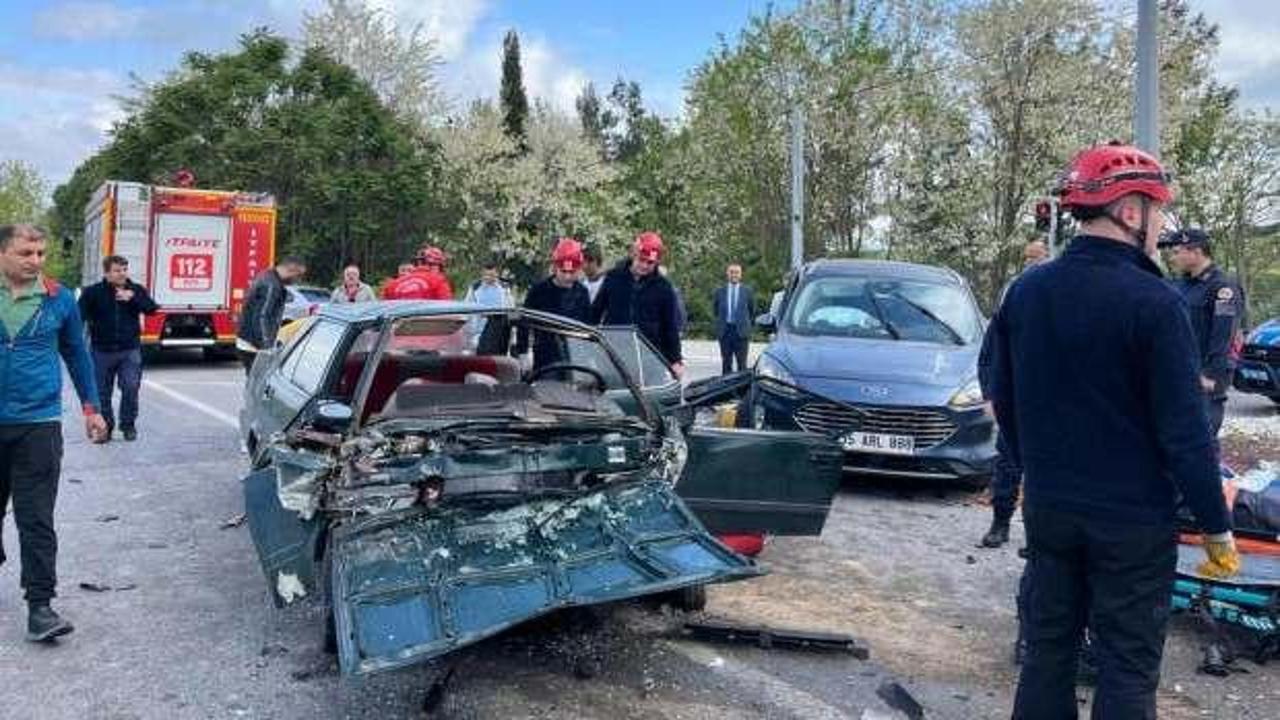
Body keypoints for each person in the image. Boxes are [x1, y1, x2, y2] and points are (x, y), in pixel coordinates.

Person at [989, 143, 1239, 719]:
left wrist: (1036, 470)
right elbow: (1184, 433)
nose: (1162, 230)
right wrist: (1215, 525)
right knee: (1126, 666)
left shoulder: (1026, 292)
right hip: (1131, 522)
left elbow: (1004, 400)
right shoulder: (1155, 303)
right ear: (1130, 211)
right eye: (1158, 212)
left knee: (1047, 655)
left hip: (1051, 509)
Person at [0, 224, 107, 642]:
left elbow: (77, 354)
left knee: (36, 518)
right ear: (4, 253)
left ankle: (40, 607)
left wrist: (91, 408)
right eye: (26, 253)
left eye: (41, 253)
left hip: (38, 424)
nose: (36, 261)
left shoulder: (59, 299)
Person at [979, 239, 1050, 548]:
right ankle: (1000, 524)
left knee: (1043, 478)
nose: (1031, 264)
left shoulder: (1059, 311)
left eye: (1037, 259)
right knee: (1007, 469)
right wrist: (990, 396)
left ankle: (1038, 537)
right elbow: (989, 356)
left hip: (1049, 406)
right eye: (1028, 259)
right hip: (1014, 404)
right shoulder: (1011, 300)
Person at [1165, 228, 1243, 459]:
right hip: (1183, 370)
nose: (1173, 257)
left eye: (1178, 252)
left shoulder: (1222, 288)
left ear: (1196, 252)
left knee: (1202, 439)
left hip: (1206, 373)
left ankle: (1211, 488)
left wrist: (1210, 375)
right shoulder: (1181, 285)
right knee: (1179, 438)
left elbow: (1223, 337)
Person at [76, 255, 159, 442]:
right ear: (106, 273)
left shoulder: (136, 290)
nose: (122, 274)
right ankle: (107, 427)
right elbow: (78, 316)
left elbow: (152, 309)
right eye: (117, 270)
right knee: (102, 392)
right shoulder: (93, 292)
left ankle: (128, 425)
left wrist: (133, 298)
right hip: (101, 350)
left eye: (124, 270)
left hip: (129, 349)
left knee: (130, 387)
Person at [590, 232, 684, 377]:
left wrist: (676, 360)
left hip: (650, 357)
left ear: (657, 262)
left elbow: (670, 326)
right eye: (642, 260)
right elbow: (595, 313)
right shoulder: (614, 277)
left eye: (650, 263)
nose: (645, 266)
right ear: (634, 254)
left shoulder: (663, 287)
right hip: (615, 354)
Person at [517, 239, 592, 372]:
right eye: (563, 271)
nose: (567, 277)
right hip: (545, 357)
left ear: (579, 269)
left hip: (575, 357)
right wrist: (523, 354)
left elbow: (588, 325)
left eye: (572, 272)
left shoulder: (582, 293)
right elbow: (524, 323)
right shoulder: (538, 291)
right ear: (555, 268)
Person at [236, 256, 307, 374]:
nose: (298, 280)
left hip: (247, 342)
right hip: (254, 347)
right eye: (299, 275)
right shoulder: (272, 285)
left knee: (253, 383)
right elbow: (262, 317)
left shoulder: (267, 276)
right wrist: (267, 346)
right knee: (259, 387)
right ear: (292, 270)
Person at [713, 263, 754, 374]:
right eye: (731, 272)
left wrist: (747, 327)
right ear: (727, 274)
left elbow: (751, 311)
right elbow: (716, 311)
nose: (734, 275)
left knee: (742, 364)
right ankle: (726, 389)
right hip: (725, 331)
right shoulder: (719, 291)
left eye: (737, 272)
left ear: (741, 275)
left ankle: (742, 391)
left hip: (741, 332)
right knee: (726, 363)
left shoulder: (747, 291)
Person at [383, 246, 452, 300]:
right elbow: (446, 308)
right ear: (436, 266)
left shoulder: (392, 285)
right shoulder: (438, 281)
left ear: (418, 262)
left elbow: (386, 310)